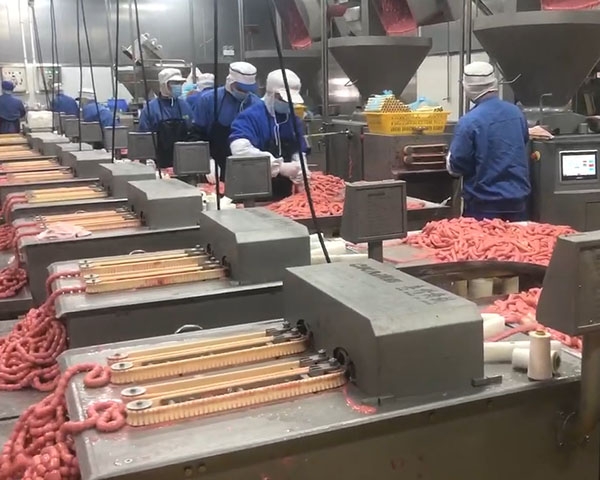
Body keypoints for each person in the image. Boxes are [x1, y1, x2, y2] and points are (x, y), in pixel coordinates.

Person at [447, 61, 530, 222]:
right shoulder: (516, 113)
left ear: (467, 88)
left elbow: (457, 166)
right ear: (494, 83)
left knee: (487, 239)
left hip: (484, 206)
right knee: (516, 237)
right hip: (517, 201)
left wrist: (449, 158)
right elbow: (523, 141)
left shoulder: (469, 121)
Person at [229, 69, 309, 200]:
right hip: (254, 190)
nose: (287, 104)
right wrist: (278, 166)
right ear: (271, 94)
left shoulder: (292, 119)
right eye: (283, 99)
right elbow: (240, 149)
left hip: (285, 192)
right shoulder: (250, 117)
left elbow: (298, 150)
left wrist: (301, 169)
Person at [190, 62, 259, 181]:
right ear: (230, 83)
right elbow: (196, 135)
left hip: (249, 170)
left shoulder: (256, 104)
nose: (245, 93)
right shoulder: (209, 100)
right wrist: (207, 160)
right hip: (216, 170)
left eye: (248, 90)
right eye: (241, 89)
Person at [138, 68, 193, 168]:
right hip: (159, 165)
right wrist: (148, 160)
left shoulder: (185, 106)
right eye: (174, 83)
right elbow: (144, 137)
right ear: (164, 85)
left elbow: (193, 132)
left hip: (184, 163)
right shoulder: (150, 109)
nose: (178, 86)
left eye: (180, 83)